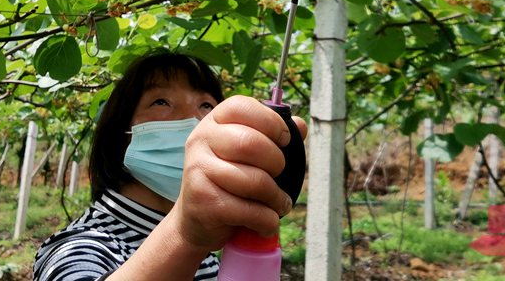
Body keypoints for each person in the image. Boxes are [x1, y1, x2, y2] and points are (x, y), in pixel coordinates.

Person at [33, 51, 304, 281]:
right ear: (119, 131)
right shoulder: (82, 246)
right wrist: (185, 235)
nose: (193, 120)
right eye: (161, 102)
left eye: (206, 105)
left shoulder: (209, 253)